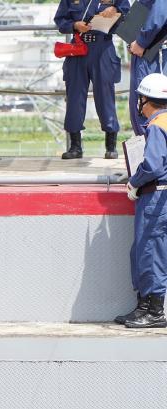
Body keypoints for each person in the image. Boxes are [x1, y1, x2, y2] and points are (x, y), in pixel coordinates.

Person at [115, 73, 167, 328]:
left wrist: (135, 181)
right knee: (145, 251)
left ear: (145, 100)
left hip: (157, 196)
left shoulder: (157, 125)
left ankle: (154, 311)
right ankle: (144, 307)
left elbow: (154, 165)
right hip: (160, 196)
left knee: (149, 252)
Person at [54, 0, 130, 159]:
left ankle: (111, 146)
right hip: (78, 48)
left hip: (103, 48)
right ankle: (75, 147)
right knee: (74, 97)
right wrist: (75, 25)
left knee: (105, 97)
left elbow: (127, 14)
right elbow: (60, 20)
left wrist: (114, 9)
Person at [127, 0, 167, 136]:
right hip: (148, 48)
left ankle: (151, 151)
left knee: (149, 101)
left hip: (153, 52)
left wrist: (141, 41)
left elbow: (159, 14)